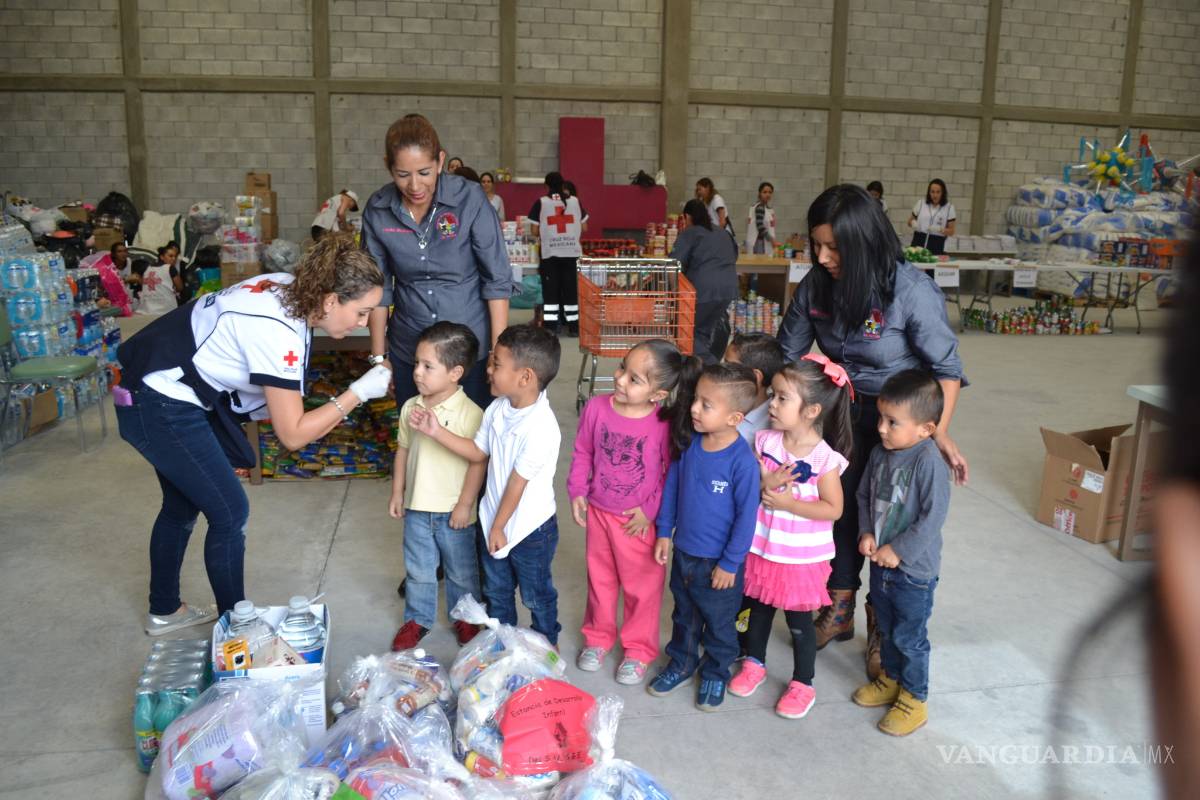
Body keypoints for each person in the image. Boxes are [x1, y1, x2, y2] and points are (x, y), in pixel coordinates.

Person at [115, 234, 393, 635]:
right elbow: (293, 436)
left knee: (181, 506)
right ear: (330, 299)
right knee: (230, 513)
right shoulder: (278, 333)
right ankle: (238, 631)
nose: (364, 324)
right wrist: (357, 393)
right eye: (362, 312)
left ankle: (165, 610)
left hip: (157, 378)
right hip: (160, 398)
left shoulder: (285, 285)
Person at [777, 184, 966, 679]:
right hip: (838, 420)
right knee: (837, 513)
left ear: (864, 243)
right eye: (816, 245)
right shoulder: (816, 285)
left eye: (834, 247)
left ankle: (879, 626)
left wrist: (934, 433)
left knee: (888, 521)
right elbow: (786, 356)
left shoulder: (909, 290)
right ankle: (837, 608)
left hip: (897, 428)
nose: (821, 257)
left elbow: (946, 370)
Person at [410, 324, 563, 644]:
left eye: (497, 365)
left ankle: (547, 641)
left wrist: (498, 526)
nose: (488, 371)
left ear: (525, 377)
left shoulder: (540, 427)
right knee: (496, 589)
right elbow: (478, 452)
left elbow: (517, 484)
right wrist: (436, 431)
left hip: (529, 528)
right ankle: (504, 641)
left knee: (536, 593)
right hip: (496, 519)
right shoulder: (498, 409)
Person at [729, 355, 852, 720]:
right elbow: (750, 476)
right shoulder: (765, 440)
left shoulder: (824, 459)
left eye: (782, 398)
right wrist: (765, 481)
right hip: (763, 546)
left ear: (812, 410)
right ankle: (754, 663)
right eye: (773, 395)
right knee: (758, 612)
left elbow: (833, 509)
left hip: (800, 557)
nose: (772, 404)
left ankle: (803, 682)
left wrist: (790, 503)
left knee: (800, 624)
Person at [362, 114, 512, 412]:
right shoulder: (379, 209)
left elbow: (496, 280)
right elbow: (377, 288)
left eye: (425, 172)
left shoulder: (469, 200)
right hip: (411, 351)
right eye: (402, 174)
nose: (415, 185)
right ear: (388, 166)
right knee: (416, 437)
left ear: (441, 161)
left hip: (469, 349)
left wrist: (498, 354)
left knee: (472, 439)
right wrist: (380, 358)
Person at [569, 339, 694, 685]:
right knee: (601, 581)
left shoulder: (663, 423)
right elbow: (583, 452)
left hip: (637, 523)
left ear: (658, 394)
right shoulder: (596, 408)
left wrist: (649, 511)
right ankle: (597, 638)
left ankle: (638, 649)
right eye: (623, 368)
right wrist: (577, 489)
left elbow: (670, 474)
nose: (621, 379)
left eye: (635, 379)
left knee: (643, 589)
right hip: (599, 512)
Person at [648, 362, 760, 711]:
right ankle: (681, 662)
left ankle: (715, 671)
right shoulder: (691, 446)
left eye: (706, 405)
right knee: (684, 615)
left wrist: (730, 563)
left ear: (734, 418)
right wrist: (665, 532)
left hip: (719, 564)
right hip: (684, 552)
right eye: (696, 399)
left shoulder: (742, 462)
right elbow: (671, 490)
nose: (694, 408)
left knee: (719, 623)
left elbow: (747, 517)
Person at [853, 370, 950, 737]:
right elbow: (864, 495)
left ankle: (914, 698)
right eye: (881, 418)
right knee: (887, 628)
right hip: (882, 564)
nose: (881, 428)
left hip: (914, 572)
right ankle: (891, 679)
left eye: (893, 422)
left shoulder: (928, 462)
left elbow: (933, 516)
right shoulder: (881, 453)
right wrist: (866, 531)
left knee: (909, 637)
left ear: (925, 429)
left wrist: (900, 549)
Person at [389, 322, 487, 651]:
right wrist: (398, 491)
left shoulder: (470, 413)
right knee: (418, 569)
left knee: (461, 572)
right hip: (417, 507)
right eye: (417, 363)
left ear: (455, 372)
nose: (417, 372)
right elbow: (403, 449)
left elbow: (478, 460)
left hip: (453, 510)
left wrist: (464, 505)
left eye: (428, 366)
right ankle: (417, 618)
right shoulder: (410, 407)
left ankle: (465, 617)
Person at [671, 199, 738, 363]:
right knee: (704, 331)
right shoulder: (723, 232)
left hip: (703, 290)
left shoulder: (690, 232)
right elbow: (734, 255)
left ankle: (712, 368)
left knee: (686, 332)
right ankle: (698, 371)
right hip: (728, 289)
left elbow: (674, 264)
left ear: (686, 216)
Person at [529, 171, 586, 336]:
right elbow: (583, 226)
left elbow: (534, 230)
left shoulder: (541, 203)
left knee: (551, 293)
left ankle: (551, 327)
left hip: (550, 255)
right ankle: (574, 327)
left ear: (546, 186)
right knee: (570, 292)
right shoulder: (575, 201)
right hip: (572, 254)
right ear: (563, 184)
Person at [723, 332, 785, 445]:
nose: (721, 372)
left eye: (729, 367)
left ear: (756, 377)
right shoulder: (720, 403)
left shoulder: (775, 423)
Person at [907, 179, 956, 255]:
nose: (935, 195)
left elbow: (951, 231)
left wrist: (940, 229)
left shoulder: (949, 207)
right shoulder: (921, 203)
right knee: (915, 265)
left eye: (938, 192)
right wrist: (913, 223)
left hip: (936, 243)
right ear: (929, 192)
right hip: (918, 240)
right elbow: (909, 222)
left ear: (943, 193)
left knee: (932, 265)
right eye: (932, 192)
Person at [136, 242, 182, 315]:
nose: (174, 259)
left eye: (175, 256)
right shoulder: (170, 268)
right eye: (170, 256)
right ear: (162, 257)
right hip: (166, 308)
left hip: (147, 308)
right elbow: (180, 287)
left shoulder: (148, 268)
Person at [745, 182, 777, 255]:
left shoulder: (767, 209)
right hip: (759, 243)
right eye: (764, 192)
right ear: (759, 193)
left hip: (761, 242)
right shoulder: (760, 208)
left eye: (770, 192)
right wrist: (772, 240)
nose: (767, 194)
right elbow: (760, 227)